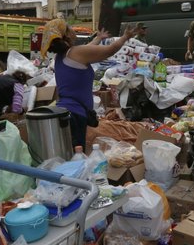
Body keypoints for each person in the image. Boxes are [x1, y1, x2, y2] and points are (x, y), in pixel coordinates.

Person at [41, 18, 140, 149]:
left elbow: (88, 48)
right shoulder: (75, 52)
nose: (72, 29)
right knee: (75, 157)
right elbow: (109, 51)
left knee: (68, 155)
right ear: (66, 34)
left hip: (66, 112)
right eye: (69, 27)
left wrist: (99, 38)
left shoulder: (62, 56)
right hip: (74, 115)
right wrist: (125, 37)